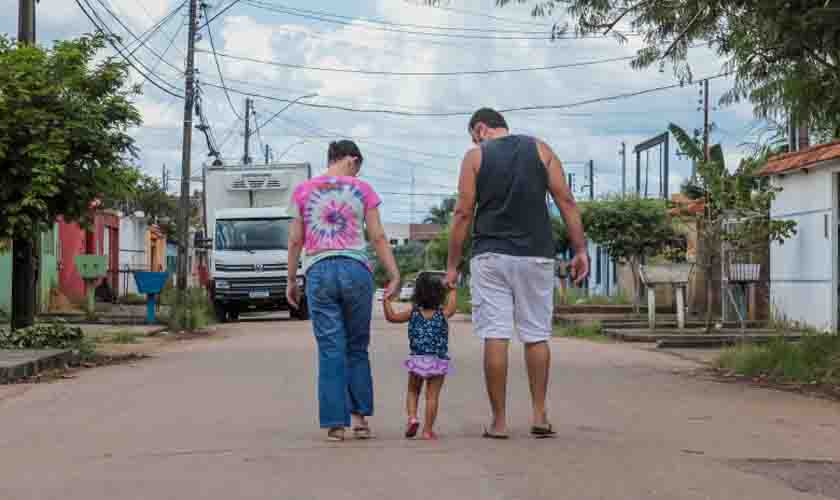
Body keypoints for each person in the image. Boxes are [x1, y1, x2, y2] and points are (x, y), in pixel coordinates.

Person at [446, 108, 589, 439]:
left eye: (472, 135)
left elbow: (463, 213)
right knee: (536, 335)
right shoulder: (541, 149)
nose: (473, 141)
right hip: (535, 255)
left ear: (481, 129)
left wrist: (452, 266)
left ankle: (498, 422)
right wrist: (580, 249)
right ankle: (539, 415)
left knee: (496, 335)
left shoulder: (474, 158)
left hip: (491, 256)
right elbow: (565, 200)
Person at [286, 140, 400, 442]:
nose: (358, 172)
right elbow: (377, 235)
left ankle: (336, 424)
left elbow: (296, 240)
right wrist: (394, 274)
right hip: (356, 270)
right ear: (352, 159)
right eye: (358, 166)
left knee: (330, 349)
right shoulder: (363, 189)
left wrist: (291, 280)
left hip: (319, 272)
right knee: (357, 347)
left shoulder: (303, 190)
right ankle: (360, 419)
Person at [383, 272, 457, 440]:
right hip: (438, 360)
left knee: (413, 391)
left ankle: (413, 418)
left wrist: (386, 300)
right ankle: (428, 431)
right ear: (440, 294)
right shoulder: (442, 314)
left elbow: (392, 317)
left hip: (417, 360)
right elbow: (452, 305)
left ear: (417, 293)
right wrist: (452, 290)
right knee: (432, 396)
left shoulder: (413, 313)